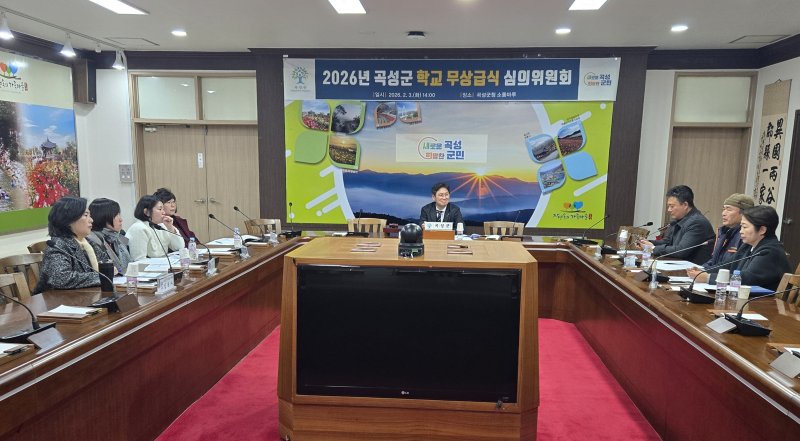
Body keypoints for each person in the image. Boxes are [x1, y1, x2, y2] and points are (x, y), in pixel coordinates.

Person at [703, 206, 791, 291]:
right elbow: (727, 265)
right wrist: (702, 271)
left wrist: (708, 278)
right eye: (741, 226)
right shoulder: (748, 245)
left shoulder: (770, 251)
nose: (741, 231)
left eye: (745, 227)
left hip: (764, 300)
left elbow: (746, 278)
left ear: (762, 230)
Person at [34, 196, 110, 293]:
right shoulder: (58, 246)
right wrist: (102, 276)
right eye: (86, 215)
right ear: (69, 220)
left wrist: (110, 269)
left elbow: (106, 262)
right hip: (59, 299)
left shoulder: (87, 242)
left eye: (90, 216)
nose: (91, 220)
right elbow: (61, 278)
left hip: (86, 295)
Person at [638, 185, 715, 265]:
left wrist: (653, 248)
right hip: (677, 265)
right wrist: (647, 243)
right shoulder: (679, 219)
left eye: (672, 206)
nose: (669, 210)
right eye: (668, 206)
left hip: (692, 269)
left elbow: (681, 251)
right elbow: (667, 242)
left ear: (685, 205)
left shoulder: (697, 223)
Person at [686, 193, 754, 279]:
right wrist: (701, 269)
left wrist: (707, 275)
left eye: (728, 209)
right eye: (723, 209)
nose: (723, 213)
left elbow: (731, 265)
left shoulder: (746, 237)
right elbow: (715, 261)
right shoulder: (724, 232)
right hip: (715, 277)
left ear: (744, 213)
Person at [125, 195, 185, 261]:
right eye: (160, 209)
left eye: (163, 209)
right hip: (151, 267)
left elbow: (179, 247)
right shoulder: (139, 228)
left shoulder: (161, 226)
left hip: (162, 264)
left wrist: (170, 228)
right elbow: (139, 260)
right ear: (147, 212)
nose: (164, 212)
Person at [87, 198, 133, 275]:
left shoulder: (118, 237)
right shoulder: (94, 240)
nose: (121, 219)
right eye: (116, 215)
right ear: (103, 217)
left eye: (119, 214)